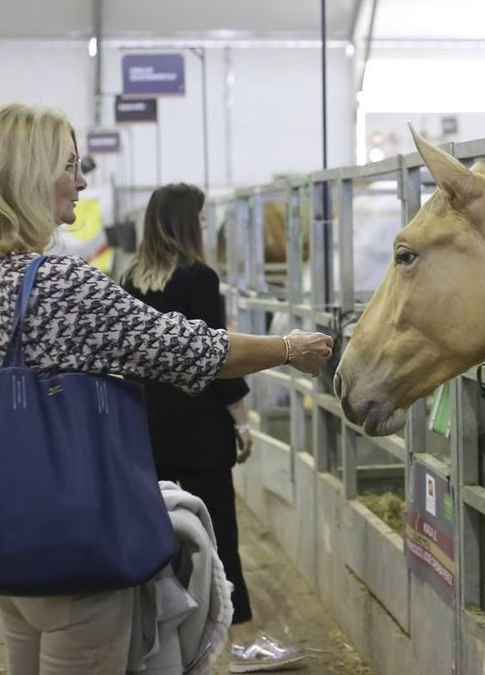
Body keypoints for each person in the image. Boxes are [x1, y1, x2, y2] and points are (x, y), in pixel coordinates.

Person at [0, 101, 332, 674]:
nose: (80, 181)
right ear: (27, 176)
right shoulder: (62, 281)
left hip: (5, 536)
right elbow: (189, 348)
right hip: (75, 547)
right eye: (68, 165)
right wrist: (289, 349)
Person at [121, 183, 306, 673]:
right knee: (220, 536)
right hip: (199, 428)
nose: (206, 226)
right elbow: (216, 358)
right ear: (186, 223)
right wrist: (242, 423)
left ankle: (154, 647)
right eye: (201, 218)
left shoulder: (128, 280)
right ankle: (241, 644)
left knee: (154, 537)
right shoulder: (200, 277)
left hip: (146, 429)